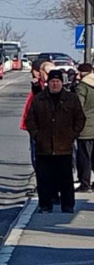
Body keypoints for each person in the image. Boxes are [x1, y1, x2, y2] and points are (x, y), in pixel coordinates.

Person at [26, 69, 86, 213]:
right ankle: (45, 205)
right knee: (44, 179)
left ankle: (68, 205)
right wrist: (37, 136)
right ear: (48, 83)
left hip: (64, 146)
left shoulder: (71, 99)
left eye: (57, 81)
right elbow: (30, 120)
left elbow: (80, 119)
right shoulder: (39, 99)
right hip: (44, 146)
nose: (55, 84)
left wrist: (72, 135)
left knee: (66, 179)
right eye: (52, 81)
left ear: (62, 82)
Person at [75, 63, 94, 192]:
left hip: (85, 128)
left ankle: (85, 184)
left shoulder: (82, 87)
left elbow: (78, 108)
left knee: (84, 157)